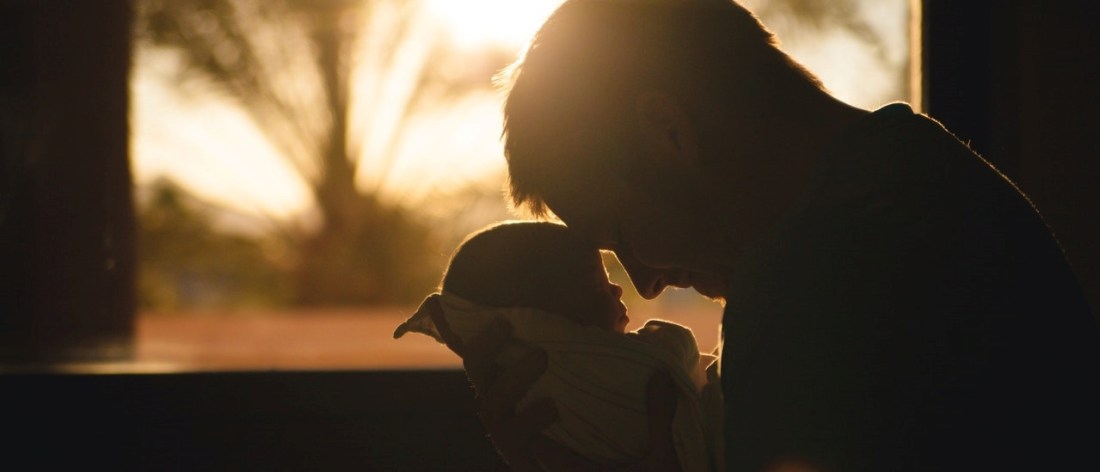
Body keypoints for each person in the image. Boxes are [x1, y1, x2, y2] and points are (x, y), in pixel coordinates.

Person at [456, 0, 1100, 470]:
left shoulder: (809, 279)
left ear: (666, 133)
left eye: (619, 232)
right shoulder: (929, 177)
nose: (645, 281)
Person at [394, 221, 723, 470]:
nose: (630, 288)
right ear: (541, 324)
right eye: (596, 285)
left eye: (631, 228)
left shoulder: (537, 409)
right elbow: (675, 353)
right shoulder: (587, 379)